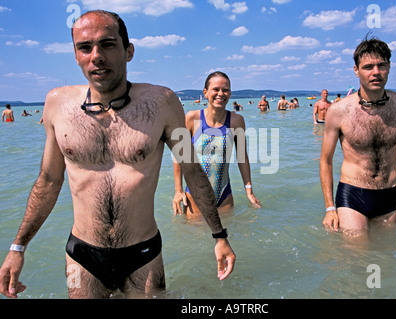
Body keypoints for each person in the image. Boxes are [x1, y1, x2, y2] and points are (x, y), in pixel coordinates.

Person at [0, 10, 235, 299]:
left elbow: (191, 169)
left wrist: (219, 236)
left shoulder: (163, 102)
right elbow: (48, 181)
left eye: (108, 44)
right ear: (76, 55)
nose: (96, 56)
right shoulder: (56, 104)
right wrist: (18, 247)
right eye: (85, 47)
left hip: (143, 255)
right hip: (83, 255)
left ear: (129, 51)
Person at [320, 36, 396, 237]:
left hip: (390, 194)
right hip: (353, 194)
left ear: (389, 67)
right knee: (357, 255)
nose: (376, 72)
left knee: (386, 255)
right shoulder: (339, 110)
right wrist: (329, 208)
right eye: (368, 67)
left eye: (381, 65)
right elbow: (326, 160)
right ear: (356, 70)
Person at [172, 71, 261, 217]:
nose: (221, 93)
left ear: (230, 94)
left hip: (224, 197)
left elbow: (242, 158)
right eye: (216, 89)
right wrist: (178, 190)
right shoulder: (192, 118)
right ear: (205, 92)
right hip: (195, 198)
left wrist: (249, 191)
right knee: (195, 238)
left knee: (228, 238)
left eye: (225, 90)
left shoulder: (236, 121)